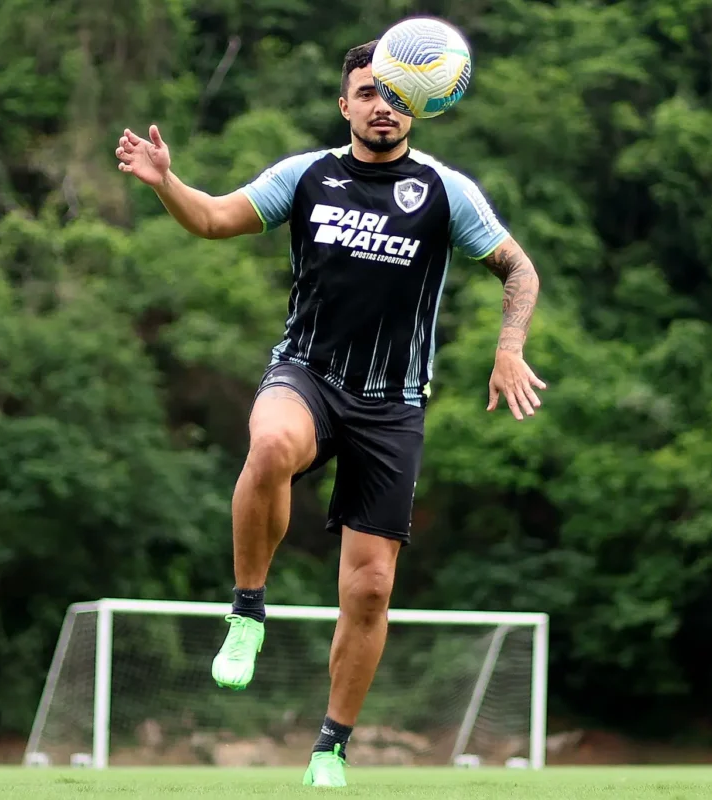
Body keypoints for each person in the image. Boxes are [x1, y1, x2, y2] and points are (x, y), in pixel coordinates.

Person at [114, 39, 545, 787]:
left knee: (371, 586)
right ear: (345, 104)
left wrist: (509, 347)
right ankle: (248, 610)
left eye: (395, 93)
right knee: (273, 443)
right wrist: (165, 182)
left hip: (394, 405)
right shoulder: (306, 176)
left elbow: (518, 267)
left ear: (418, 101)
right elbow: (216, 219)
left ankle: (331, 746)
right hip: (308, 374)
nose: (383, 105)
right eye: (367, 93)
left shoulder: (447, 191)